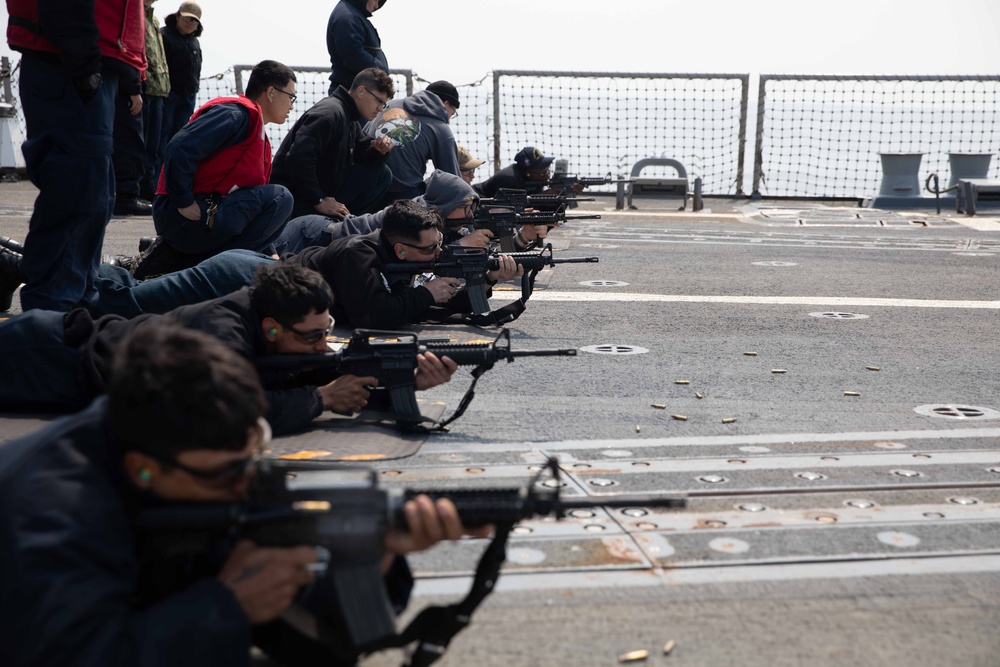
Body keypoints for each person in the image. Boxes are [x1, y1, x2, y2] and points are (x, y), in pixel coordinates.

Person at [0, 323, 485, 666]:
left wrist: (369, 558)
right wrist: (226, 608)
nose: (247, 484)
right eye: (231, 473)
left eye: (256, 457)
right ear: (142, 471)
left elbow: (308, 634)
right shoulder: (49, 514)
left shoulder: (205, 476)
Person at [0, 262, 458, 435]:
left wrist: (396, 379)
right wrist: (321, 399)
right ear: (271, 328)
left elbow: (302, 371)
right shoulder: (221, 332)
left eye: (327, 329)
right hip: (44, 355)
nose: (324, 345)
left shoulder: (273, 331)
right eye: (313, 335)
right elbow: (230, 412)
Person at [5, 0, 146, 312]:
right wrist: (83, 61)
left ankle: (73, 311)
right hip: (71, 63)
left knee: (96, 198)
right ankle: (52, 319)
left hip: (89, 64)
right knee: (78, 196)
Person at [136, 59, 297, 279]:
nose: (292, 105)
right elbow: (179, 147)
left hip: (202, 214)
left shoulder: (258, 135)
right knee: (281, 198)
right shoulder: (236, 114)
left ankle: (186, 264)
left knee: (272, 200)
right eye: (290, 97)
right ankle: (218, 270)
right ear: (270, 92)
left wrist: (270, 251)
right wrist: (182, 201)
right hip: (184, 215)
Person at [287, 199, 519, 329]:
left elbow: (429, 309)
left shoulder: (405, 260)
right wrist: (425, 294)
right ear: (400, 249)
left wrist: (489, 279)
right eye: (430, 249)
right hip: (276, 282)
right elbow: (373, 317)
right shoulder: (357, 255)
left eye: (439, 243)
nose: (439, 252)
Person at [271, 67, 395, 220]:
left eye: (384, 104)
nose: (380, 109)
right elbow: (297, 158)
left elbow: (363, 151)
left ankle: (348, 223)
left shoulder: (348, 116)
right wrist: (319, 200)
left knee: (381, 174)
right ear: (361, 91)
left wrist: (379, 150)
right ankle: (340, 225)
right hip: (293, 199)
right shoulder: (329, 114)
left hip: (321, 190)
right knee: (381, 175)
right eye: (379, 101)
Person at [366, 80, 462, 202]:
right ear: (445, 103)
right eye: (452, 113)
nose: (448, 120)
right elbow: (453, 181)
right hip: (401, 195)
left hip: (366, 188)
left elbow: (364, 136)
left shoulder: (389, 105)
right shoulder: (440, 128)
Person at [158, 1, 203, 159]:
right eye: (187, 18)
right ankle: (156, 178)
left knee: (179, 138)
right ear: (177, 17)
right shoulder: (163, 36)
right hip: (168, 96)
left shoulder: (194, 42)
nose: (190, 23)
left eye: (194, 20)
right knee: (161, 137)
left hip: (188, 97)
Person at [139, 0, 172, 202]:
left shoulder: (154, 21)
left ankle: (147, 185)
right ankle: (136, 186)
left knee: (154, 143)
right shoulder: (136, 16)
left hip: (160, 90)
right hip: (144, 87)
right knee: (140, 141)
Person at [327, 0, 388, 96]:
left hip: (359, 94)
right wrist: (381, 73)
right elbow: (352, 54)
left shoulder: (354, 15)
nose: (377, 6)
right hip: (350, 95)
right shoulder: (347, 16)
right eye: (376, 0)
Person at [473, 145, 555, 198]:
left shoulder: (529, 180)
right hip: (473, 203)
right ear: (528, 173)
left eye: (547, 171)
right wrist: (543, 196)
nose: (546, 176)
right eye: (542, 173)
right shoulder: (510, 178)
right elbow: (515, 209)